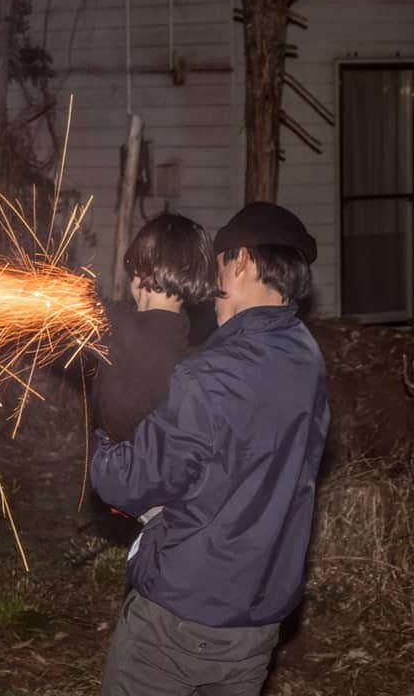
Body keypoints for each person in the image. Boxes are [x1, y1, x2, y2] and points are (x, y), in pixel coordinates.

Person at [90, 202, 330, 696]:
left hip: (181, 619)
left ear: (240, 260)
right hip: (257, 620)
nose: (212, 282)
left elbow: (127, 482)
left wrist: (96, 444)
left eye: (219, 263)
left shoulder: (211, 376)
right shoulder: (305, 358)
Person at [92, 212, 218, 528]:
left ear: (139, 270)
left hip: (153, 492)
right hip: (178, 492)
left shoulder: (120, 329)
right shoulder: (179, 339)